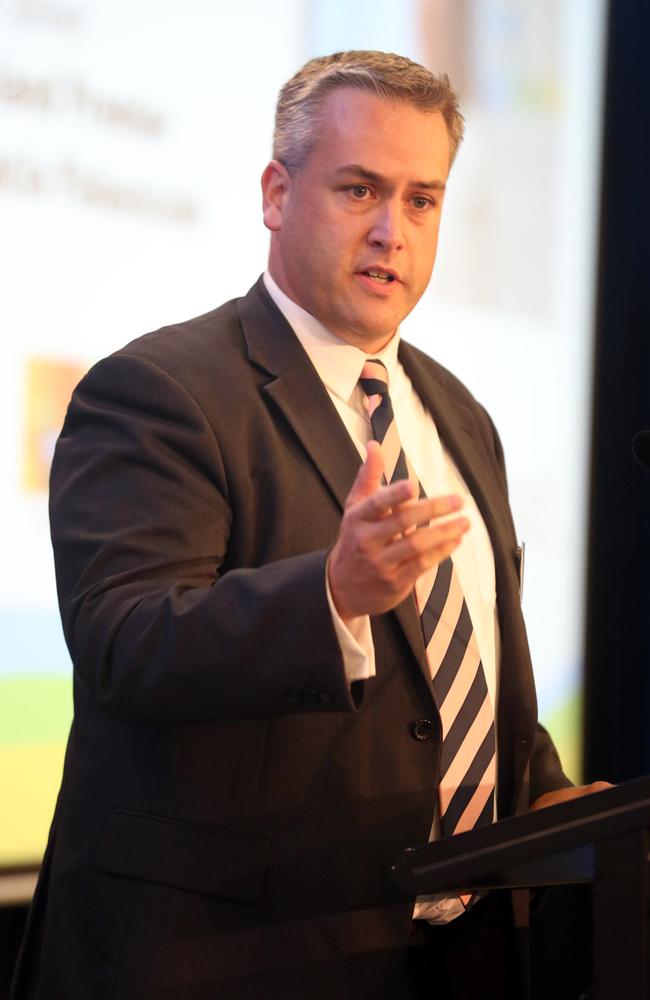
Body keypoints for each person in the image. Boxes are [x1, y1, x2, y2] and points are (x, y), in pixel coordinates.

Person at [11, 50, 608, 1000]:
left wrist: (544, 792)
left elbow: (464, 673)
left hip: (458, 957)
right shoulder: (161, 392)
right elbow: (123, 644)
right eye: (359, 188)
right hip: (231, 959)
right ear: (277, 193)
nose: (390, 232)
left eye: (422, 201)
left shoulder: (458, 415)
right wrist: (329, 598)